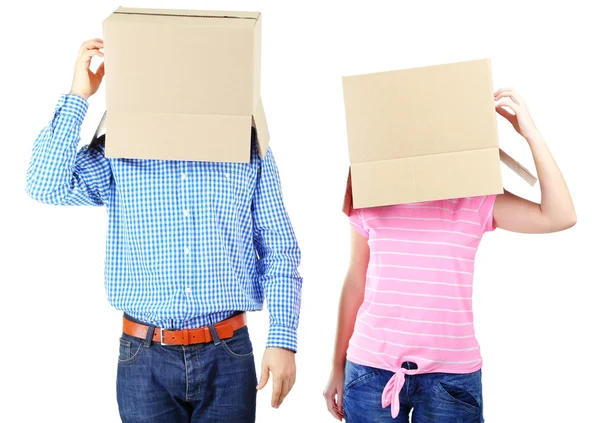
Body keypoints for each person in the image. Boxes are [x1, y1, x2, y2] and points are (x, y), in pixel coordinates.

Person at [26, 39, 302, 423]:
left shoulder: (250, 147)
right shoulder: (119, 150)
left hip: (228, 353)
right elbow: (44, 184)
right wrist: (78, 97)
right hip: (144, 358)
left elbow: (279, 248)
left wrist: (283, 339)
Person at [323, 88, 576, 422]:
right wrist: (337, 366)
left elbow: (559, 216)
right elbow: (356, 279)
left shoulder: (474, 197)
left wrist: (529, 134)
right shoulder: (372, 188)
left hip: (452, 379)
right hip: (371, 373)